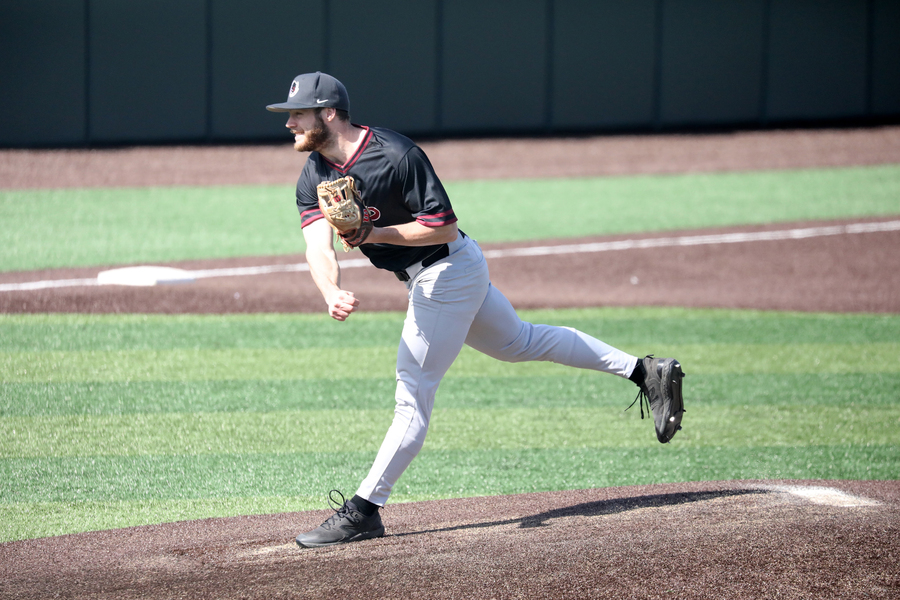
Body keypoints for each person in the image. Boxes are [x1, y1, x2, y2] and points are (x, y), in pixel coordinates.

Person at [266, 72, 685, 549]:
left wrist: (373, 234)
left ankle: (364, 510)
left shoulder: (397, 155)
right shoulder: (314, 174)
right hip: (442, 274)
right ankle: (644, 371)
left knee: (413, 393)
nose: (290, 123)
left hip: (446, 271)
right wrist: (330, 289)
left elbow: (442, 227)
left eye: (297, 113)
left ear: (329, 113)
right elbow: (316, 247)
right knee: (520, 342)